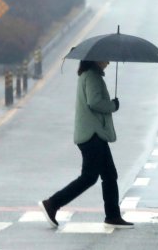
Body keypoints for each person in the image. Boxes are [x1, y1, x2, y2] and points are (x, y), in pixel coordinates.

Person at [38, 60, 134, 229]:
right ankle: (52, 203)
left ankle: (113, 216)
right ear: (96, 59)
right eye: (105, 58)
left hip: (94, 134)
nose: (109, 62)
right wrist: (113, 105)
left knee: (109, 175)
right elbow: (94, 102)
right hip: (92, 135)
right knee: (89, 177)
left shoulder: (90, 75)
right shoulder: (92, 76)